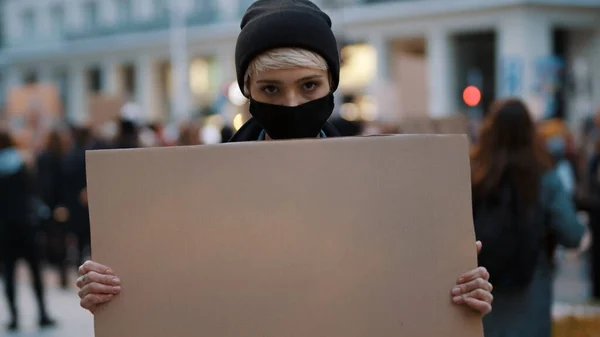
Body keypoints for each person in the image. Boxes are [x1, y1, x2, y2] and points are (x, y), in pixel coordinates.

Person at [76, 0, 493, 317]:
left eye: (309, 85)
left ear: (332, 84)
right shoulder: (197, 194)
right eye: (271, 89)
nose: (292, 102)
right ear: (248, 92)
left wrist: (455, 287)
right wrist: (113, 291)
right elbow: (176, 288)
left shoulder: (388, 188)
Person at [471, 99, 585, 337]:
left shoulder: (475, 177)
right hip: (532, 295)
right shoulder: (545, 179)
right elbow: (573, 234)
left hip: (484, 298)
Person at [0, 128, 56, 331]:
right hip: (26, 224)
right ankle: (42, 313)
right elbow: (33, 191)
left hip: (5, 228)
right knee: (35, 270)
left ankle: (14, 317)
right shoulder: (22, 163)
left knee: (8, 273)